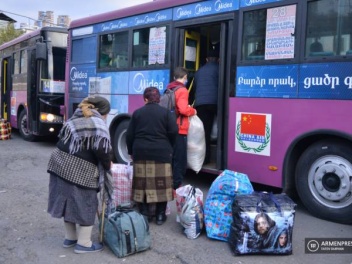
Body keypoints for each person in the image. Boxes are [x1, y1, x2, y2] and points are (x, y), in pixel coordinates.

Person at [47, 95, 113, 254]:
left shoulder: (74, 118)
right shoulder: (97, 123)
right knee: (87, 202)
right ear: (102, 112)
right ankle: (84, 243)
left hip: (58, 164)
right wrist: (108, 165)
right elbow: (103, 150)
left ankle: (70, 237)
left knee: (67, 200)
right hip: (79, 169)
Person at [126, 87, 178, 225]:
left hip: (141, 151)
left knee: (141, 183)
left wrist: (131, 151)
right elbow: (173, 132)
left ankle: (145, 213)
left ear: (145, 99)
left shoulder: (137, 113)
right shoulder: (166, 113)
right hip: (161, 152)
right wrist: (168, 147)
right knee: (162, 185)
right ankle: (160, 215)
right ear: (158, 99)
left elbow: (129, 135)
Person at [166, 67, 197, 190]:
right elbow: (183, 109)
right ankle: (176, 186)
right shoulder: (183, 90)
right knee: (180, 160)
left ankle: (169, 182)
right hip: (179, 128)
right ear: (184, 78)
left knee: (172, 158)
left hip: (170, 127)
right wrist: (193, 110)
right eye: (186, 79)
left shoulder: (170, 88)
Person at [194, 49, 219, 164]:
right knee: (223, 128)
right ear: (219, 59)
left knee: (205, 133)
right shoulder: (220, 69)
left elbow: (195, 88)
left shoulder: (199, 71)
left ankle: (205, 159)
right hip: (216, 103)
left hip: (201, 104)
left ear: (206, 59)